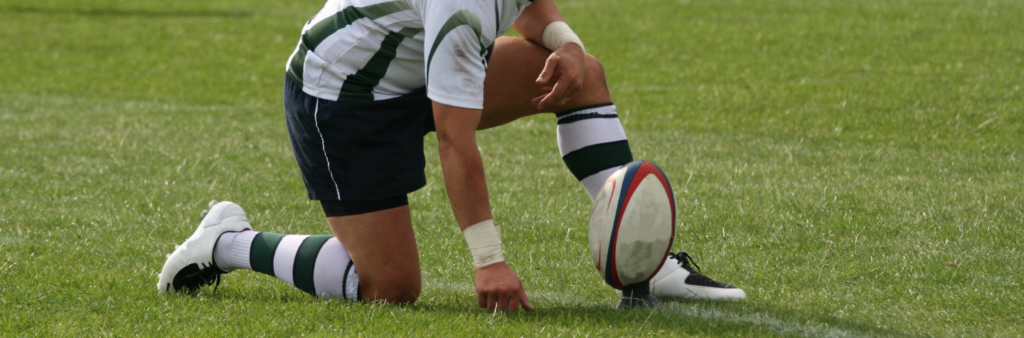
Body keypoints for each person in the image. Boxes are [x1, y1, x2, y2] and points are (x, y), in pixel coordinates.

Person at [158, 0, 745, 312]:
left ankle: (647, 266)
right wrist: (488, 260)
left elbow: (529, 2)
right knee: (388, 287)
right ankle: (228, 240)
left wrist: (566, 44)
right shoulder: (460, 7)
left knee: (581, 74)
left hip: (412, 69)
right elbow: (453, 140)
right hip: (342, 97)